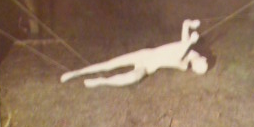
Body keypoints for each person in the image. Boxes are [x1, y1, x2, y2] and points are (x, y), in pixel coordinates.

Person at [60, 19, 208, 88]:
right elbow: (185, 24)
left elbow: (179, 57)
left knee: (132, 78)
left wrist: (191, 41)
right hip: (144, 54)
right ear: (202, 58)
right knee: (109, 64)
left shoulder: (184, 64)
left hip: (148, 67)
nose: (195, 69)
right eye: (199, 67)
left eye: (197, 70)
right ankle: (74, 73)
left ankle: (101, 81)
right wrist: (192, 23)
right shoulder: (187, 46)